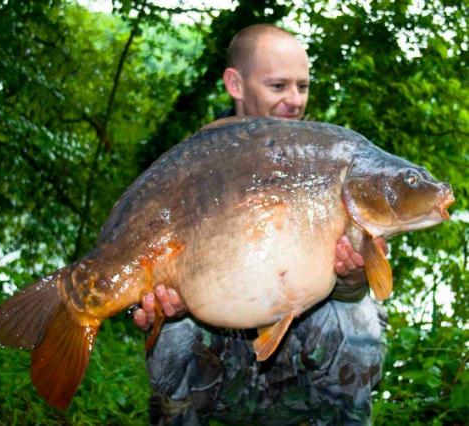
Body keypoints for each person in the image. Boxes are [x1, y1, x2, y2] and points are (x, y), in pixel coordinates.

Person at [134, 24, 387, 426]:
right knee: (173, 334)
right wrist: (162, 304)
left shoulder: (324, 163)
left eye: (302, 87)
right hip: (221, 359)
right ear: (235, 83)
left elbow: (348, 285)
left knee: (359, 318)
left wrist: (353, 278)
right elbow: (141, 260)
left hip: (295, 368)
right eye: (278, 86)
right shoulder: (192, 169)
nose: (294, 100)